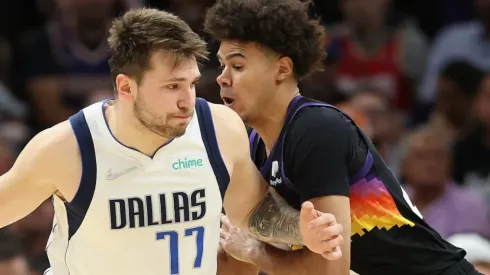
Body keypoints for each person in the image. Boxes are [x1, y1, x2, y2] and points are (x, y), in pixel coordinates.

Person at [0, 8, 343, 275]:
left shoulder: (218, 129)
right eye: (172, 86)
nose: (187, 100)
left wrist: (301, 230)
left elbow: (253, 209)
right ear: (126, 87)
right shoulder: (67, 149)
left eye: (192, 83)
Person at [204, 0, 483, 274]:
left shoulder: (315, 129)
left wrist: (256, 253)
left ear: (282, 69)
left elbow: (330, 270)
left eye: (237, 67)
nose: (222, 78)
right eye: (221, 66)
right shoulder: (252, 146)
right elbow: (237, 248)